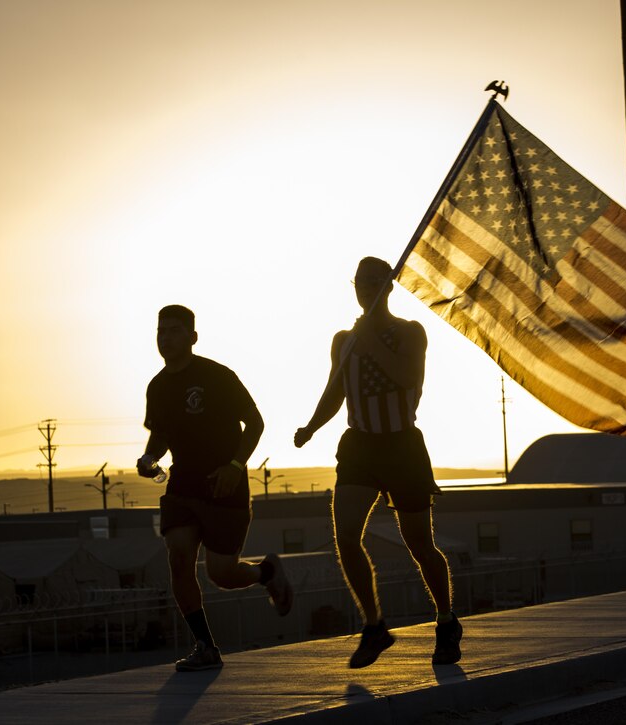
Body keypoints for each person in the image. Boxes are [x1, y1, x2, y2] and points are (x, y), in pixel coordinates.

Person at [294, 256, 461, 668]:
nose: (366, 288)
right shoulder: (342, 340)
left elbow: (406, 378)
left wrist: (367, 335)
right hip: (359, 446)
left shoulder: (409, 332)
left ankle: (446, 621)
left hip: (402, 445)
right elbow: (335, 391)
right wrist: (311, 426)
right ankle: (374, 625)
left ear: (389, 286)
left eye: (374, 281)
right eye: (360, 282)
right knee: (347, 536)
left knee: (420, 544)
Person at [137, 304, 293, 672]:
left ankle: (265, 573)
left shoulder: (218, 376)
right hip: (182, 486)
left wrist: (236, 466)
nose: (166, 337)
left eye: (175, 330)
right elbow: (160, 434)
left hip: (225, 487)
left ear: (192, 337)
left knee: (221, 574)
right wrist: (148, 458)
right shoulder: (157, 387)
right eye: (161, 330)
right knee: (179, 557)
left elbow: (254, 423)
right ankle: (205, 646)